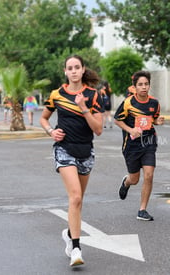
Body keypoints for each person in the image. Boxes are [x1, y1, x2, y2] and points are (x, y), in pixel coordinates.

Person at [40, 55, 103, 266]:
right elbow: (44, 117)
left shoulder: (93, 95)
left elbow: (99, 129)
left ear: (83, 70)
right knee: (75, 197)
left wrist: (84, 107)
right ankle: (76, 248)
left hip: (86, 151)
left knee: (79, 200)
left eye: (77, 67)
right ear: (65, 72)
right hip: (64, 150)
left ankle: (69, 233)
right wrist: (51, 131)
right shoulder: (57, 94)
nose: (74, 71)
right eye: (70, 68)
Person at [114, 71, 165, 221]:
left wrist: (157, 122)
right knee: (135, 179)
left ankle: (142, 210)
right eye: (140, 85)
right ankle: (126, 182)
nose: (143, 87)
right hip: (131, 145)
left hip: (148, 143)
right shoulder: (128, 102)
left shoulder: (154, 103)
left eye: (146, 84)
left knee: (149, 175)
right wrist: (130, 130)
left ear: (149, 85)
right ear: (135, 87)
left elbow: (152, 119)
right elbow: (117, 120)